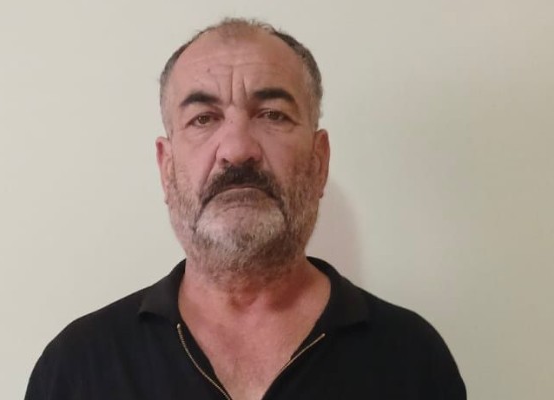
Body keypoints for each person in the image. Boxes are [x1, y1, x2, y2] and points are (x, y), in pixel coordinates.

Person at [24, 18, 466, 400]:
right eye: (203, 118)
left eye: (272, 114)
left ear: (319, 161)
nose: (237, 149)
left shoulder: (413, 359)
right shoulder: (78, 367)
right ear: (166, 166)